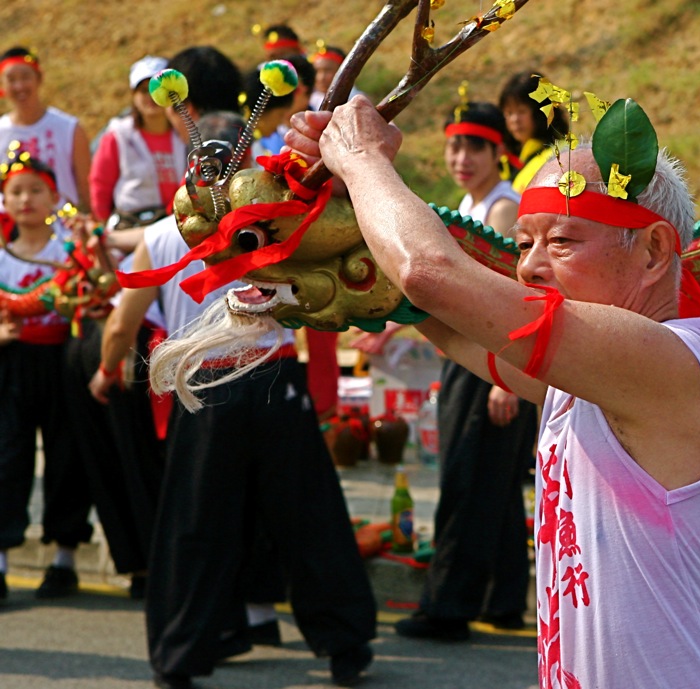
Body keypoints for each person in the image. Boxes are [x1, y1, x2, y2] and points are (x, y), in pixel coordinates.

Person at [286, 95, 700, 687]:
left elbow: (430, 276)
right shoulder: (586, 378)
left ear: (655, 250)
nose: (529, 267)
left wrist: (363, 158)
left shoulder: (661, 360)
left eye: (561, 242)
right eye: (524, 243)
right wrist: (342, 203)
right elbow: (446, 322)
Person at [92, 106, 376, 689]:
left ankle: (179, 656)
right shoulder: (276, 219)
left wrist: (104, 371)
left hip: (208, 389)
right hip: (273, 380)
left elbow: (124, 325)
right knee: (308, 515)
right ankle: (345, 644)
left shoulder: (163, 235)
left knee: (196, 524)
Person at [395, 101, 537, 640]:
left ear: (498, 152)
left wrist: (506, 375)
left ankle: (448, 607)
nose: (461, 157)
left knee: (466, 481)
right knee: (492, 487)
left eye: (474, 146)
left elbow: (515, 301)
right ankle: (501, 600)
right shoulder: (470, 203)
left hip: (491, 364)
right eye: (455, 145)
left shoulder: (504, 210)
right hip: (472, 360)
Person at [0, 151, 93, 600]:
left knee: (66, 457)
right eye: (16, 191)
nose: (26, 199)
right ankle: (0, 558)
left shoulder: (69, 253)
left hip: (61, 363)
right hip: (12, 366)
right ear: (4, 200)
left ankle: (64, 558)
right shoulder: (2, 256)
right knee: (6, 457)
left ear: (55, 197)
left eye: (36, 190)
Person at [89, 55, 186, 231]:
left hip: (176, 226)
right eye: (143, 90)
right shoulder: (119, 135)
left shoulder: (184, 133)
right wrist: (101, 224)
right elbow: (100, 184)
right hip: (131, 226)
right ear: (133, 96)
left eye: (158, 89)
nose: (151, 96)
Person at [0, 47, 91, 212]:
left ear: (39, 78)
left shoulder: (69, 128)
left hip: (63, 227)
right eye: (11, 79)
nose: (19, 86)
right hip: (12, 231)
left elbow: (87, 188)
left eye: (25, 77)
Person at [498, 70, 569, 193]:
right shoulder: (505, 162)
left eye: (521, 111)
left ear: (541, 111)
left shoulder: (559, 156)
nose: (515, 120)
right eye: (509, 113)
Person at [308, 42, 363, 111]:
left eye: (328, 70)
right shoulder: (309, 100)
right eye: (316, 71)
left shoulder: (356, 102)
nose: (321, 78)